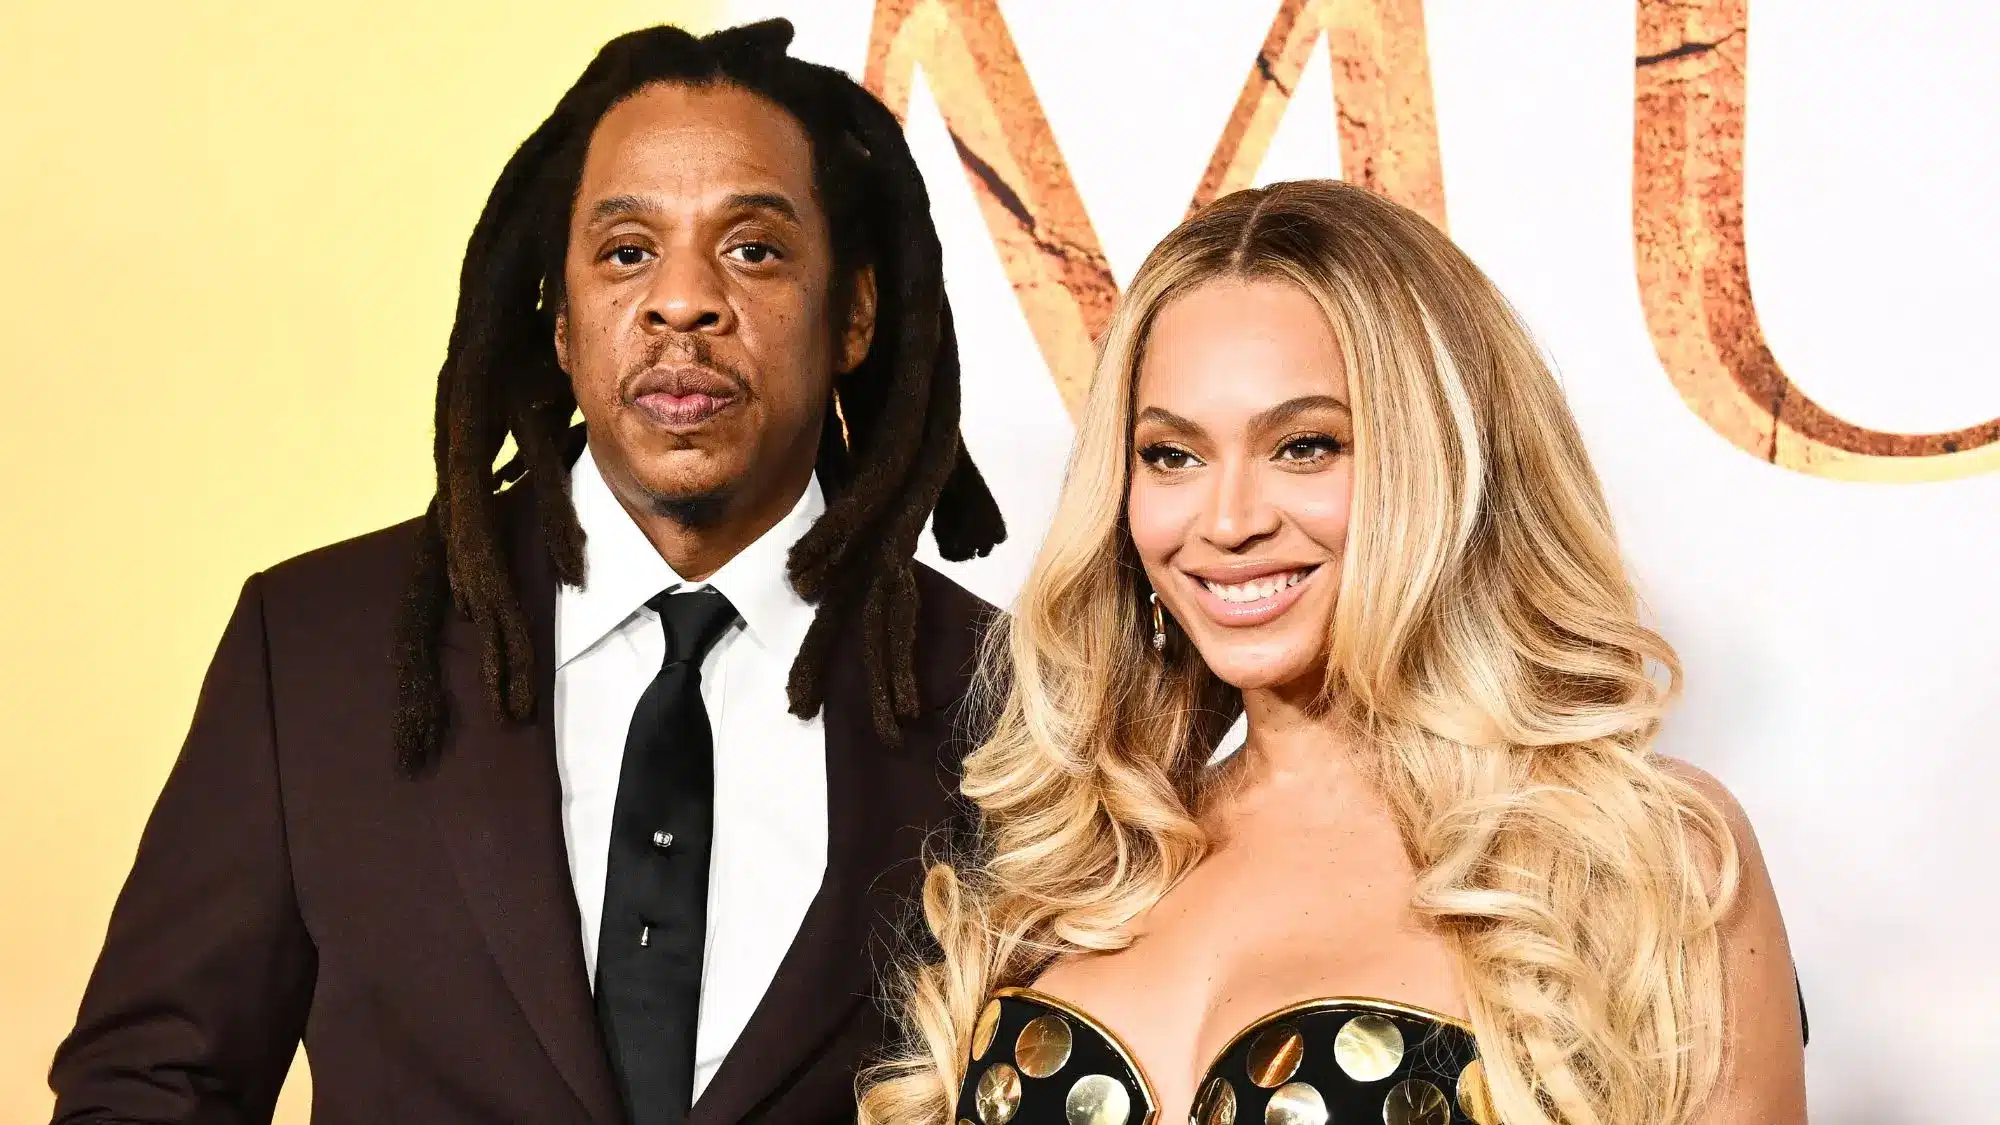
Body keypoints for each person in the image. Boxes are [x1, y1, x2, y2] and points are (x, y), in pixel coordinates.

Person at [51, 20, 1004, 1125]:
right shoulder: (314, 650)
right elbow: (149, 1089)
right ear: (560, 322)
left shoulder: (1000, 700)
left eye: (751, 248)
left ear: (852, 317)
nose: (681, 302)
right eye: (626, 251)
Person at [861, 180, 1807, 1125]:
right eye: (1172, 455)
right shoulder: (1085, 860)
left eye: (1306, 446)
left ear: (1439, 463)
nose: (1227, 522)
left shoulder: (1635, 858)